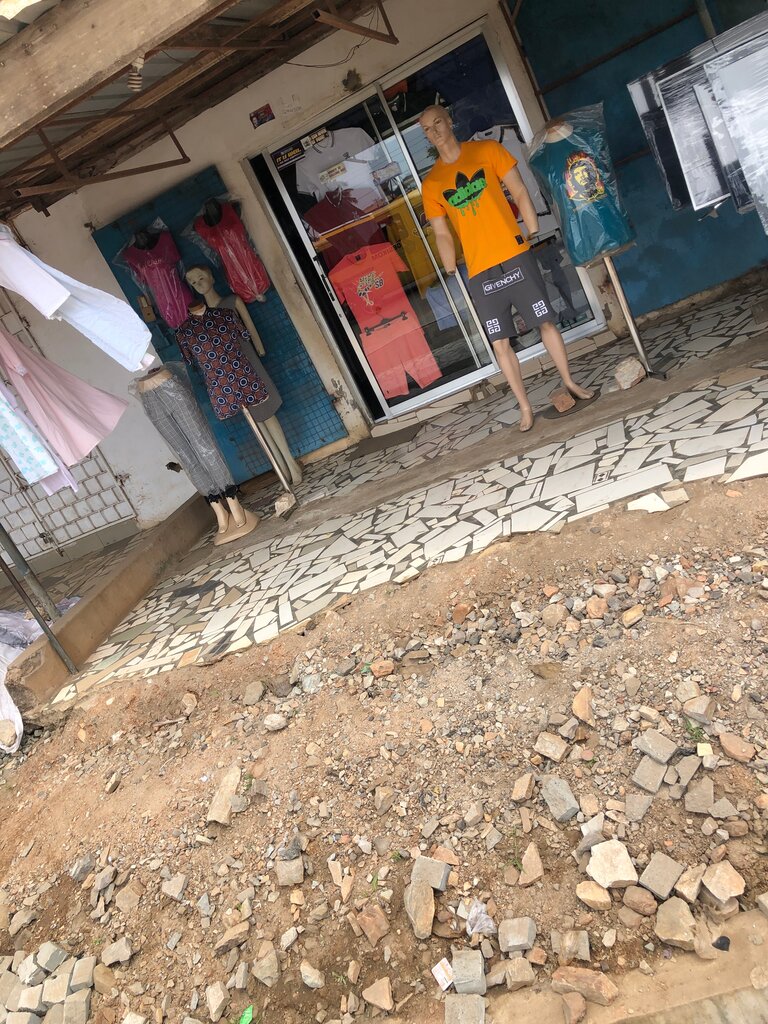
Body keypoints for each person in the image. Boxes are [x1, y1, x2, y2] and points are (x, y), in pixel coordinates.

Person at [419, 105, 592, 432]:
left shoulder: (487, 150)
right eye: (427, 129)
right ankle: (525, 407)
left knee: (545, 322)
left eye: (438, 122)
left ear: (450, 121)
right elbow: (441, 231)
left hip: (514, 253)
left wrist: (531, 225)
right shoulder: (432, 184)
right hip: (479, 269)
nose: (434, 131)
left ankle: (570, 381)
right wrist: (448, 263)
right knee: (500, 343)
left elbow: (519, 189)